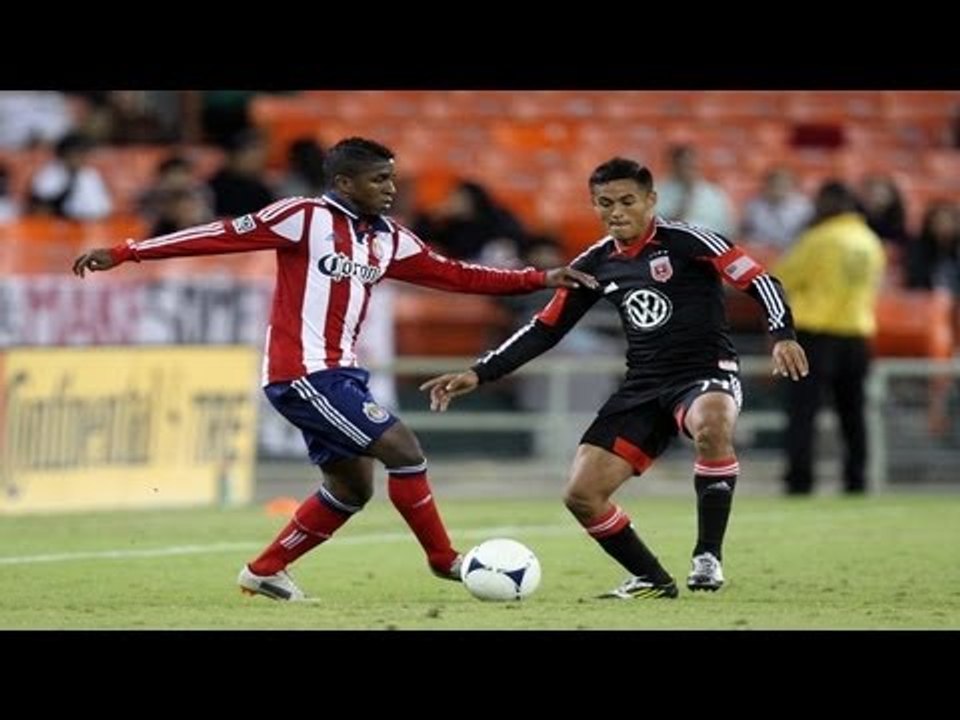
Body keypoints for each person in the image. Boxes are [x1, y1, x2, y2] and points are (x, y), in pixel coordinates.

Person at [72, 136, 596, 601]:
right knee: (404, 449)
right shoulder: (303, 216)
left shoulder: (389, 238)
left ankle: (266, 570)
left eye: (392, 177)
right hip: (301, 372)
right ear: (344, 182)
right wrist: (127, 251)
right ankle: (445, 560)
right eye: (379, 179)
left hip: (342, 373)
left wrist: (538, 276)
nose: (391, 188)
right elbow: (220, 234)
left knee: (351, 489)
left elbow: (457, 275)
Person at [420, 157, 808, 599]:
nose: (616, 211)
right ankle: (652, 579)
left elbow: (762, 282)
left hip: (704, 372)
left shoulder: (689, 240)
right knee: (582, 495)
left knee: (712, 422)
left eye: (627, 201)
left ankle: (707, 555)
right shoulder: (596, 262)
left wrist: (782, 335)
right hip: (643, 386)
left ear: (651, 200)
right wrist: (479, 372)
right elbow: (546, 328)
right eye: (605, 203)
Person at [774, 181, 885, 496]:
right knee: (853, 414)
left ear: (829, 203)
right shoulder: (870, 241)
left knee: (802, 412)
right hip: (856, 334)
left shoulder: (818, 239)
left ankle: (800, 481)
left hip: (816, 336)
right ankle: (857, 480)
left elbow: (780, 277)